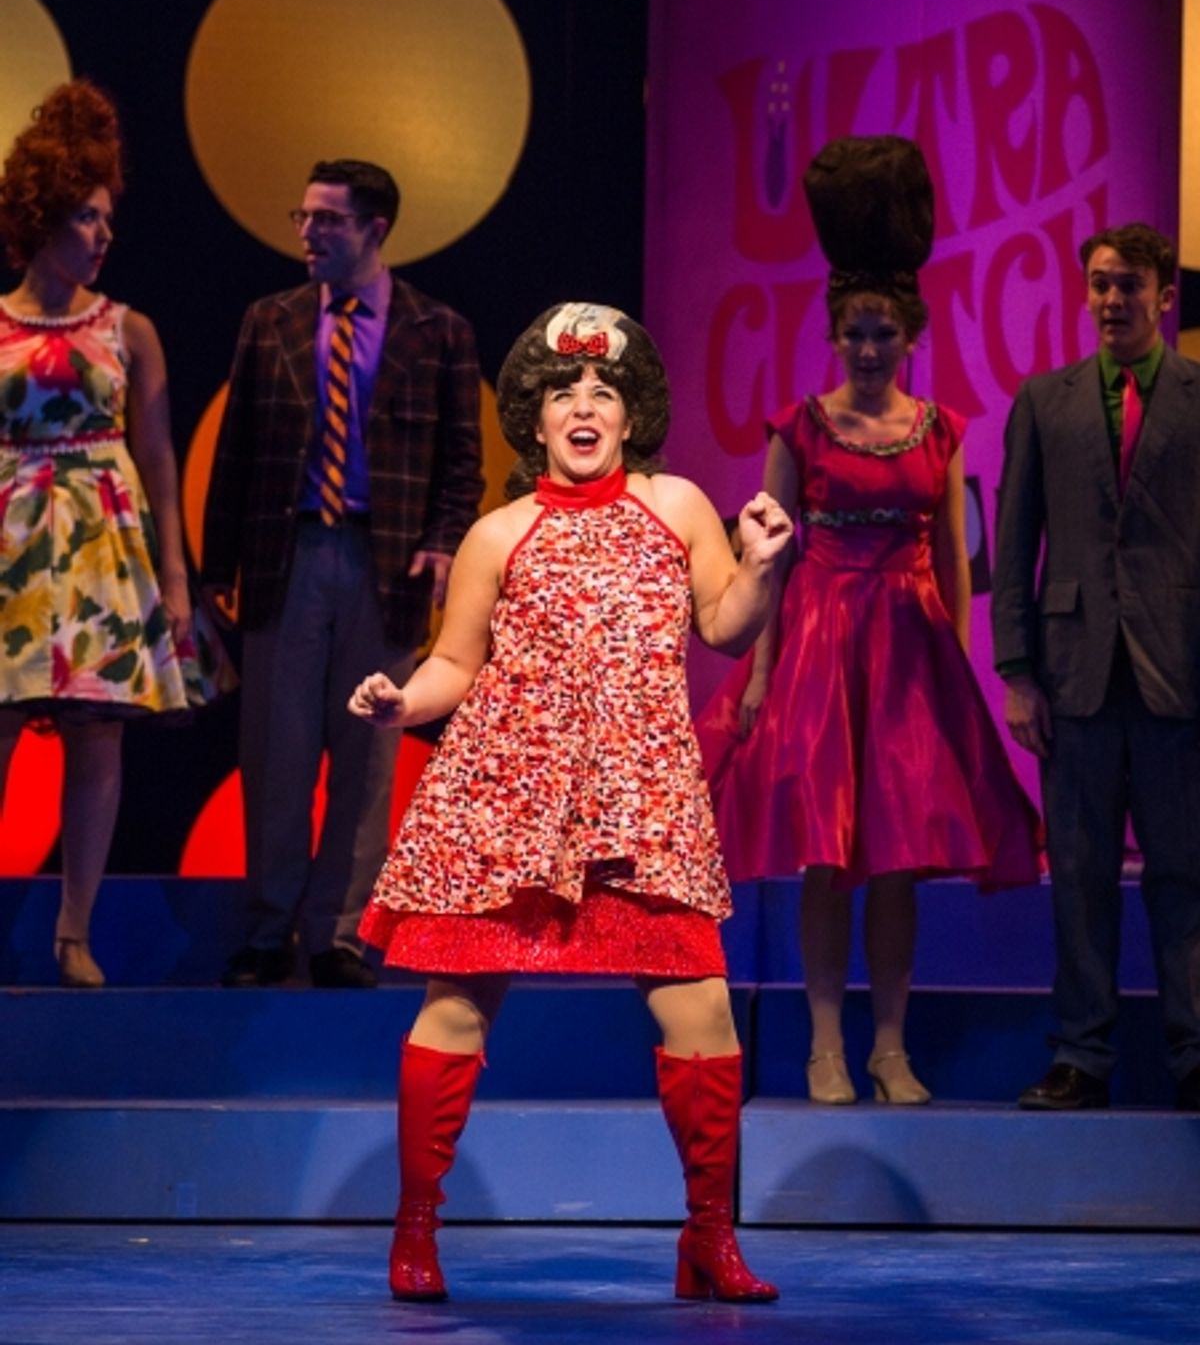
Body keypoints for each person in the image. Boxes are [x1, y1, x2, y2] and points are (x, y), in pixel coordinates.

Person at [349, 302, 792, 1304]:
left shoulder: (677, 505)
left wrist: (764, 566)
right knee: (455, 1006)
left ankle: (709, 1239)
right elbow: (453, 663)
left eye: (602, 392)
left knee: (705, 1012)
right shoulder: (499, 531)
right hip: (507, 801)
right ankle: (414, 1232)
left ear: (631, 415)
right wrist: (396, 699)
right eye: (562, 395)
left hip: (641, 806)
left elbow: (727, 624)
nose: (583, 407)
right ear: (535, 419)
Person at [697, 135, 1040, 1106]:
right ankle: (822, 1045)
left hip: (908, 655)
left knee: (896, 864)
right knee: (825, 855)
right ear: (836, 333)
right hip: (815, 643)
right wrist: (760, 677)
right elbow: (767, 557)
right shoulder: (796, 428)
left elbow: (952, 557)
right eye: (854, 331)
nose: (869, 346)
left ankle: (889, 1045)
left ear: (910, 335)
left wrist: (961, 671)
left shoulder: (941, 430)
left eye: (884, 331)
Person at [202, 158, 483, 990]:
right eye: (306, 217)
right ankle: (267, 927)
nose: (310, 234)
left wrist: (443, 541)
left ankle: (340, 935)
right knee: (276, 749)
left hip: (381, 556)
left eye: (328, 220)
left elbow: (460, 462)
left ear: (375, 230)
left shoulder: (439, 331)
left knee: (366, 755)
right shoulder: (272, 320)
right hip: (288, 552)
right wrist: (221, 562)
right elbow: (237, 447)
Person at [0, 79, 211, 986]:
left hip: (102, 543)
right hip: (11, 537)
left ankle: (74, 931)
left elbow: (159, 458)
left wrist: (173, 574)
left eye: (107, 216)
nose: (103, 234)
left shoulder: (133, 330)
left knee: (100, 736)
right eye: (86, 217)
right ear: (45, 219)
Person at [993, 221, 1200, 1112]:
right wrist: (1015, 669)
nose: (1114, 300)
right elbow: (1014, 544)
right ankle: (1082, 1056)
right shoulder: (1047, 401)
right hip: (1074, 673)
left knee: (1185, 874)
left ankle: (1194, 1053)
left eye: (1130, 285)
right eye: (1101, 284)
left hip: (1178, 672)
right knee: (1077, 875)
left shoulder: (1197, 397)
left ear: (1165, 295)